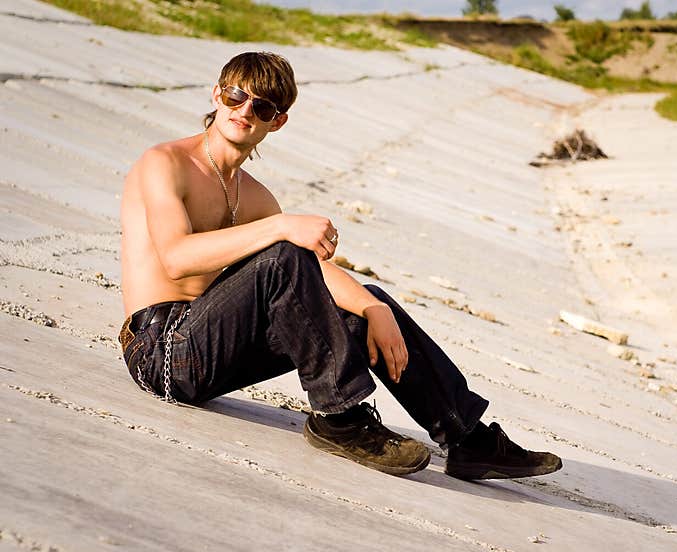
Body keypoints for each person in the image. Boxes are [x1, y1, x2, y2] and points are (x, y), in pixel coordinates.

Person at [117, 51, 562, 480]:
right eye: (236, 96)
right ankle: (341, 418)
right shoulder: (166, 164)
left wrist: (374, 309)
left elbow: (304, 278)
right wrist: (281, 228)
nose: (245, 110)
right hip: (161, 352)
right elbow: (177, 259)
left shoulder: (255, 196)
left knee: (359, 306)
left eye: (263, 106)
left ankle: (468, 439)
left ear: (278, 121)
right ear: (216, 95)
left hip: (215, 351)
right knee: (285, 255)